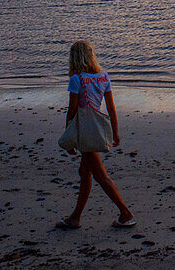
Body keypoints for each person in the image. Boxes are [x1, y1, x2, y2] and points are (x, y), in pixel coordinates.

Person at [56, 40, 135, 229]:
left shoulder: (77, 79)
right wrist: (115, 132)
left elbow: (73, 111)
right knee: (85, 173)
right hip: (98, 128)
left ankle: (125, 213)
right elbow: (111, 108)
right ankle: (75, 218)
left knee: (100, 176)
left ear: (74, 58)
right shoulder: (104, 77)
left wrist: (69, 138)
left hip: (86, 133)